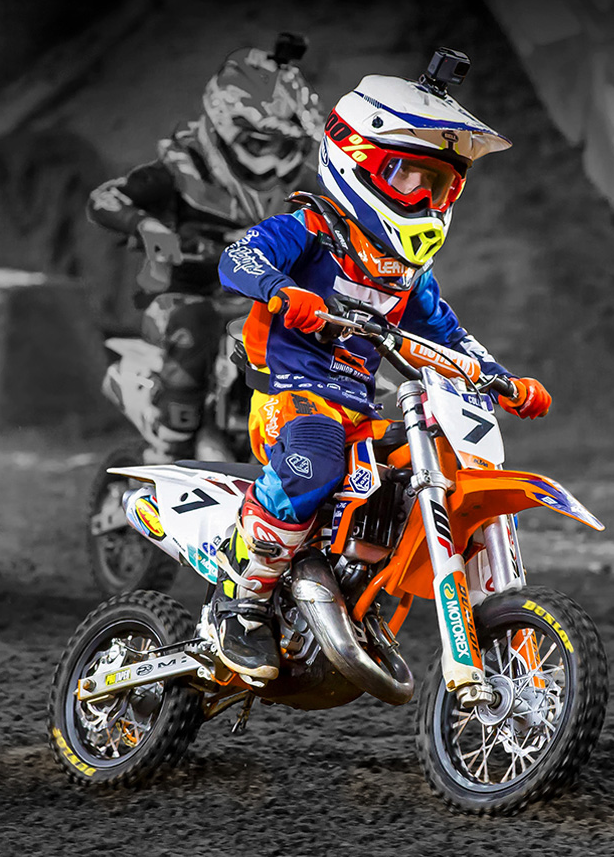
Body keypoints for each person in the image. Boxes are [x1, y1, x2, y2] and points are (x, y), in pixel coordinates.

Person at [208, 50, 553, 679]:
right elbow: (239, 258)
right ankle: (244, 603)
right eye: (406, 176)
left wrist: (504, 381)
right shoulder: (310, 228)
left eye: (437, 185)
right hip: (290, 394)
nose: (422, 197)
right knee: (316, 455)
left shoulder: (407, 275)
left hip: (360, 408)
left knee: (423, 472)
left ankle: (359, 591)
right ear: (355, 158)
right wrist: (284, 291)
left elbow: (450, 336)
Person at [86, 34, 324, 463]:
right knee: (195, 326)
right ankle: (169, 450)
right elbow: (105, 199)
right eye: (261, 144)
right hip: (185, 297)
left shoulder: (303, 186)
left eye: (287, 147)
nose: (273, 161)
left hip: (268, 301)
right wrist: (147, 226)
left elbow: (347, 224)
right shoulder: (183, 167)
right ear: (224, 126)